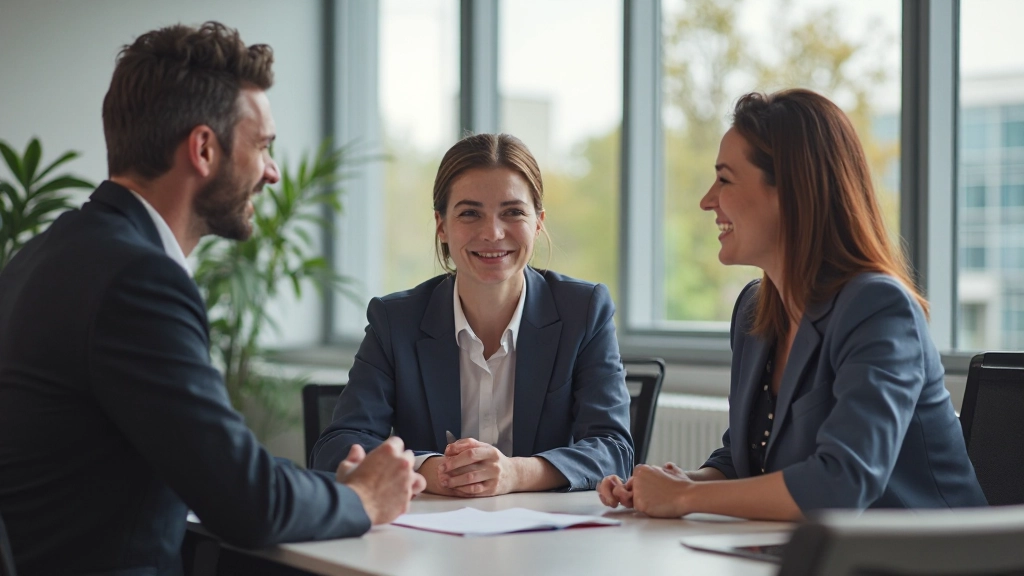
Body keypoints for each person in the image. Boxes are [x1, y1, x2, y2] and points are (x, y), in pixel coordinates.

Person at [0, 22, 424, 576]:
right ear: (203, 148)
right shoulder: (138, 280)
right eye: (263, 146)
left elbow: (221, 461)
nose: (272, 172)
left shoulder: (45, 255)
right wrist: (364, 500)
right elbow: (246, 504)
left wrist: (333, 489)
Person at [598, 89, 987, 520]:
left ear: (790, 190)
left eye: (725, 179)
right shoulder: (754, 311)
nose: (708, 200)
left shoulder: (878, 308)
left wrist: (686, 500)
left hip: (928, 560)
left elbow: (841, 482)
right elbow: (747, 458)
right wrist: (683, 483)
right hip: (812, 554)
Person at [311, 133, 633, 496]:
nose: (492, 233)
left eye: (513, 212)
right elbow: (338, 447)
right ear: (442, 225)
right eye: (469, 213)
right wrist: (433, 470)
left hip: (546, 534)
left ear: (539, 221)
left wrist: (515, 473)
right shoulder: (395, 321)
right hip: (431, 538)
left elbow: (613, 450)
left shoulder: (584, 311)